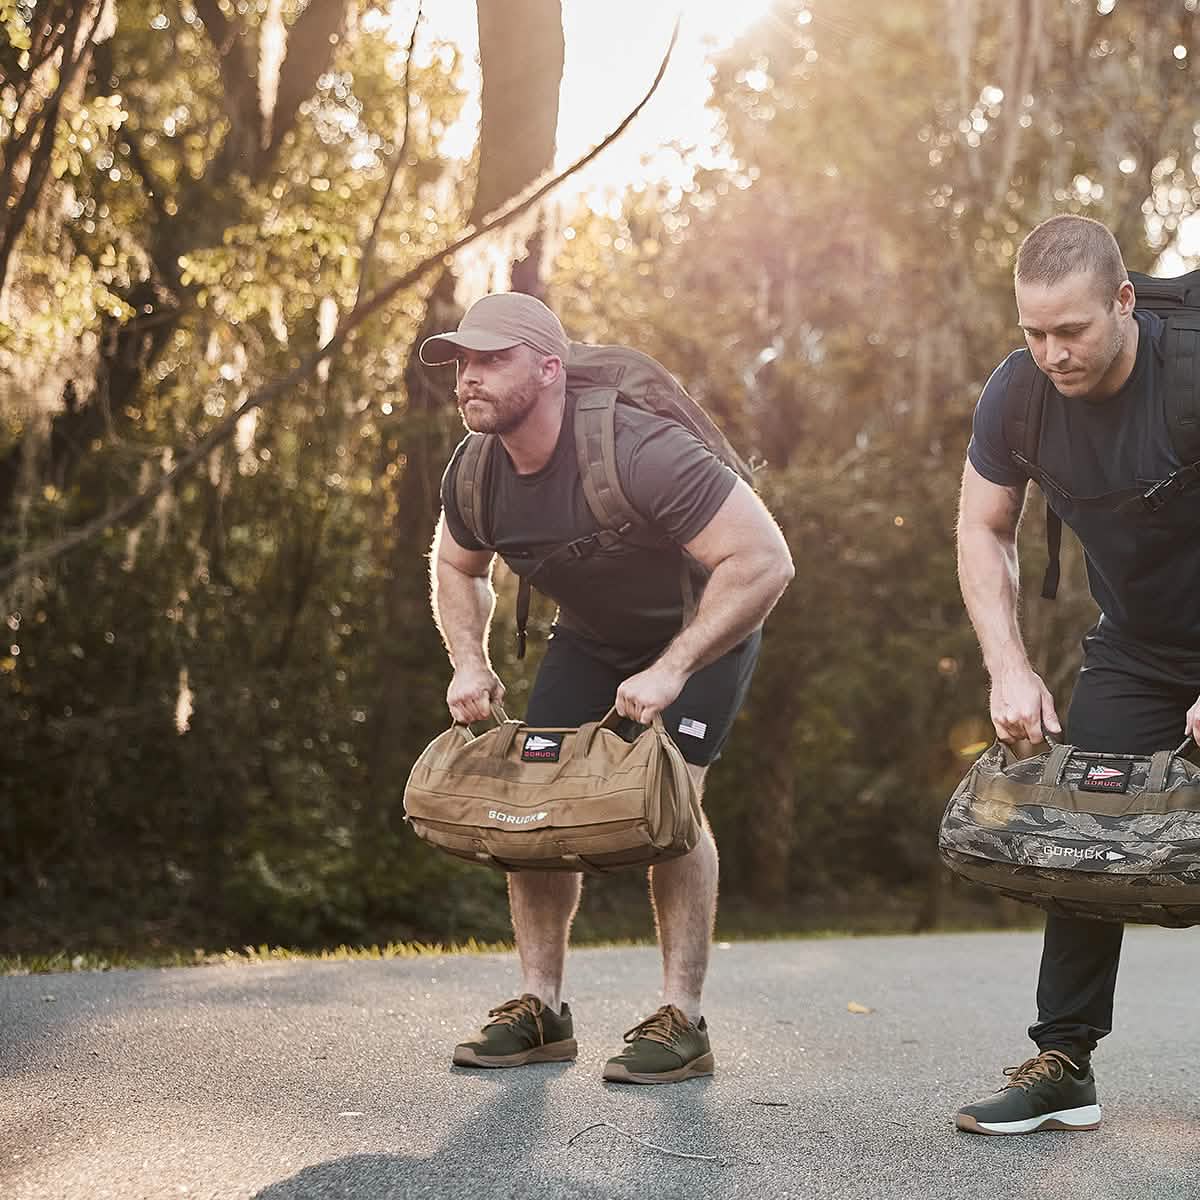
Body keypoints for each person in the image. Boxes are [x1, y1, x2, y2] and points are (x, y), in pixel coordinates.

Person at [419, 291, 793, 1085]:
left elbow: (763, 560)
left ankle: (682, 1020)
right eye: (462, 363)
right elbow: (456, 565)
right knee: (534, 805)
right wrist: (467, 660)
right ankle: (540, 1009)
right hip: (591, 637)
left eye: (491, 360)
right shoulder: (477, 470)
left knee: (668, 805)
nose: (468, 378)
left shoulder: (640, 450)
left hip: (701, 627)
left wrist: (673, 666)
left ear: (550, 369)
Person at [955, 213, 1200, 1135]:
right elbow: (983, 527)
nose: (1052, 353)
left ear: (1125, 302)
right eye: (1034, 332)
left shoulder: (1191, 373)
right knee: (1081, 829)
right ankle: (1064, 1063)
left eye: (1073, 331)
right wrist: (1008, 669)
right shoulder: (1017, 397)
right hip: (1139, 644)